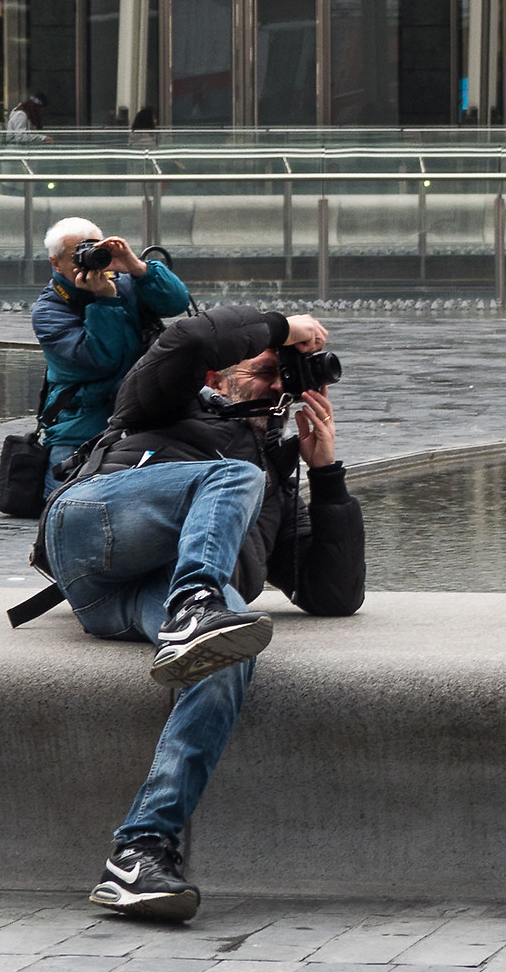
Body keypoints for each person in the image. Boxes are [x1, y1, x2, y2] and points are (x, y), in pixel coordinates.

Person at [40, 304, 362, 922]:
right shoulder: (165, 402)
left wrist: (324, 472)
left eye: (285, 378)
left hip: (121, 604)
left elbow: (334, 595)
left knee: (227, 653)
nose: (277, 387)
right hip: (89, 531)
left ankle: (139, 852)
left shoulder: (271, 468)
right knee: (231, 480)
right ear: (216, 376)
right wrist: (279, 326)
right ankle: (196, 604)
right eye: (267, 369)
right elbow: (187, 337)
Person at [32, 219, 192, 489]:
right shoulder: (49, 311)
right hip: (83, 426)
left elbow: (177, 302)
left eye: (95, 249)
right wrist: (105, 300)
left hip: (144, 416)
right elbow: (99, 361)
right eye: (77, 254)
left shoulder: (126, 283)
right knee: (65, 501)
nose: (89, 260)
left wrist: (138, 268)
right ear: (55, 263)